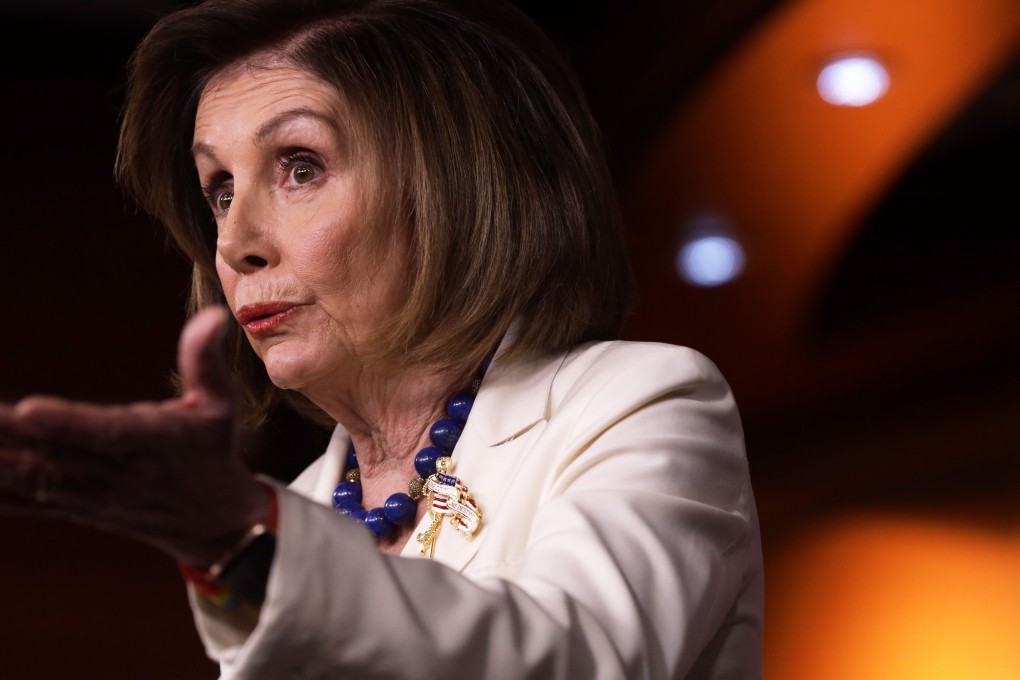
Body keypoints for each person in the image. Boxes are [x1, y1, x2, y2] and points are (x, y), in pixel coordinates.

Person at [0, 0, 764, 677]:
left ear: (453, 188)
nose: (233, 243)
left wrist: (239, 531)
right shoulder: (297, 505)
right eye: (221, 191)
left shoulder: (643, 402)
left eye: (300, 168)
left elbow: (578, 662)